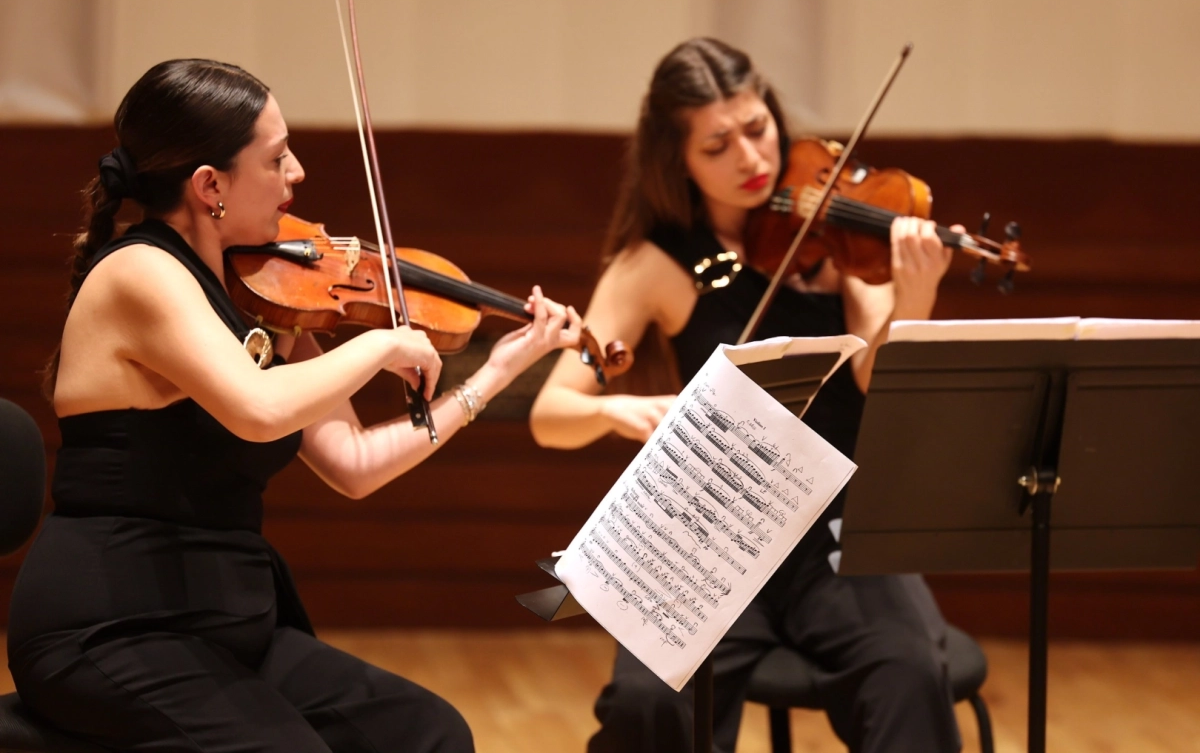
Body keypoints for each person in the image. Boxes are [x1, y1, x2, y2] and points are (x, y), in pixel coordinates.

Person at [6, 58, 583, 753]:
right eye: (277, 158)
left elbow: (354, 463)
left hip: (229, 623)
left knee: (430, 734)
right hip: (113, 627)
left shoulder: (263, 290)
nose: (298, 172)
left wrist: (492, 375)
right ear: (210, 186)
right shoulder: (141, 273)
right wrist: (379, 346)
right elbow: (256, 407)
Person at [529, 38, 964, 753]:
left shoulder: (835, 242)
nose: (751, 158)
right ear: (679, 161)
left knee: (911, 674)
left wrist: (912, 301)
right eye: (717, 146)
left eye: (758, 130)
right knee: (646, 703)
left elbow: (875, 383)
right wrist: (616, 409)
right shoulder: (654, 265)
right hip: (711, 541)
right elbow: (553, 416)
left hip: (834, 533)